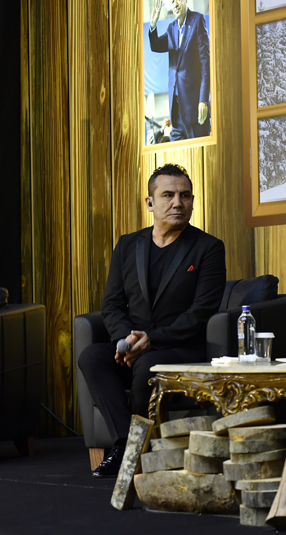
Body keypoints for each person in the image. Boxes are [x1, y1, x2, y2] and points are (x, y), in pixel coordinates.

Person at [78, 163, 226, 478]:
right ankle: (126, 444)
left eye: (185, 196)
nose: (178, 203)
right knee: (91, 356)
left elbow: (201, 312)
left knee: (148, 364)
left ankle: (129, 452)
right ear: (150, 202)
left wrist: (152, 340)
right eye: (168, 195)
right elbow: (112, 304)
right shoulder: (127, 245)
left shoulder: (208, 248)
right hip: (136, 346)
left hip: (181, 347)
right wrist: (126, 340)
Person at [148, 0, 210, 141]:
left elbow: (205, 64)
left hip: (195, 111)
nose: (175, 4)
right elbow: (155, 45)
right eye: (172, 1)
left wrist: (203, 100)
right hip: (176, 115)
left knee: (199, 152)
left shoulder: (197, 20)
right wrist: (153, 25)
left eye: (178, 0)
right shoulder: (172, 28)